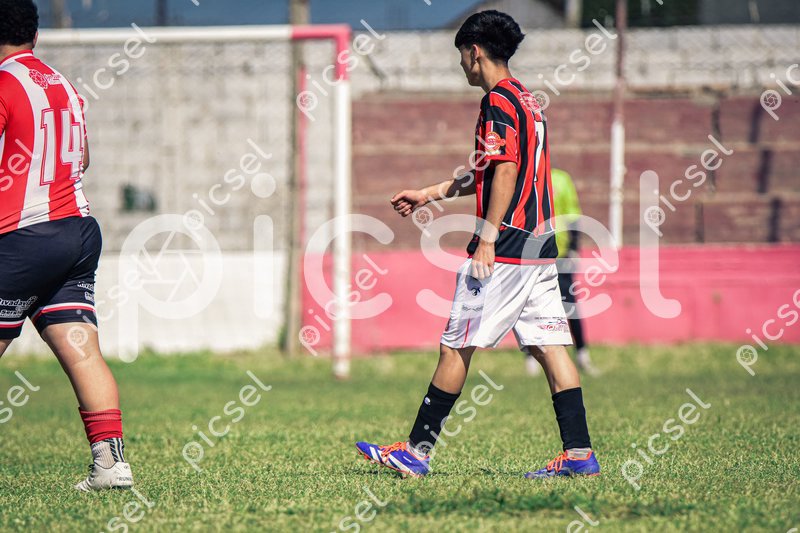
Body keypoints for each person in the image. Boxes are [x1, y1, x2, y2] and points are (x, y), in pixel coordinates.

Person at [355, 10, 600, 479]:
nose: (461, 66)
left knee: (455, 347)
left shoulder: (497, 102)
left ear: (474, 52)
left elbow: (505, 170)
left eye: (461, 56)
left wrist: (487, 237)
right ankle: (578, 455)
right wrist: (430, 193)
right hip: (540, 246)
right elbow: (490, 169)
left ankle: (416, 452)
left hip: (504, 248)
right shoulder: (527, 101)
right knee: (551, 348)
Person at [0, 0, 133, 491]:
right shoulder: (64, 86)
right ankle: (111, 466)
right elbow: (83, 157)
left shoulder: (3, 83)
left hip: (23, 236)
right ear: (34, 35)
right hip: (77, 231)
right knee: (82, 351)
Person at [526, 168, 599, 377]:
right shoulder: (526, 176)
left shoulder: (561, 179)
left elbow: (572, 213)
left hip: (560, 253)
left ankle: (582, 354)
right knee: (531, 306)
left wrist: (574, 247)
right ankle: (530, 357)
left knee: (569, 304)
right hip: (532, 253)